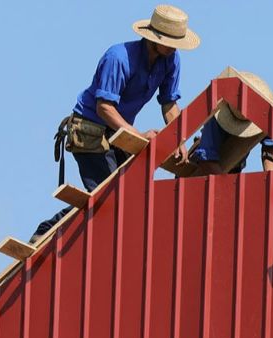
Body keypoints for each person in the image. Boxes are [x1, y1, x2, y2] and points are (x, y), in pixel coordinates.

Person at [34, 5, 199, 239]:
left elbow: (169, 104)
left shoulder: (170, 61)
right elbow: (104, 108)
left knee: (129, 195)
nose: (174, 48)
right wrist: (139, 136)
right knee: (109, 196)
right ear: (155, 38)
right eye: (171, 43)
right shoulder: (119, 57)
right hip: (89, 127)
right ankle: (47, 233)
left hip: (117, 132)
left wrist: (178, 139)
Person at [184, 102, 273, 175]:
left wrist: (270, 180)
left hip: (233, 170)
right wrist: (228, 190)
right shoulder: (215, 120)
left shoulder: (262, 113)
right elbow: (206, 160)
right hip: (203, 174)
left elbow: (270, 146)